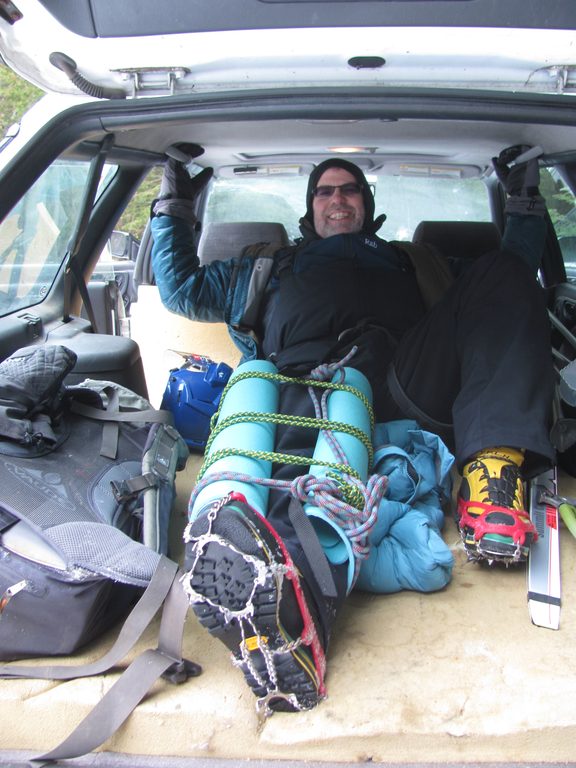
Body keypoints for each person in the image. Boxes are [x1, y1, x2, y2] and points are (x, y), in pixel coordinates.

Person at [150, 146, 554, 713]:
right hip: (300, 398)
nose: (337, 199)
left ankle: (492, 479)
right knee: (289, 497)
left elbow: (507, 278)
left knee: (501, 272)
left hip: (404, 386)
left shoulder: (418, 261)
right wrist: (173, 208)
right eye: (325, 191)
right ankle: (287, 610)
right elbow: (179, 289)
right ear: (309, 209)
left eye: (349, 190)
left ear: (368, 205)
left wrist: (526, 204)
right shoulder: (268, 265)